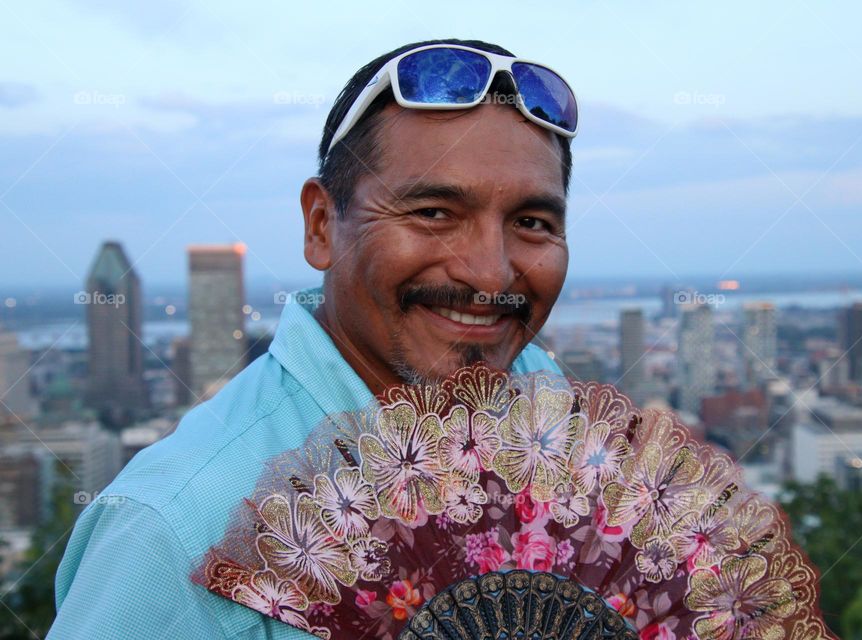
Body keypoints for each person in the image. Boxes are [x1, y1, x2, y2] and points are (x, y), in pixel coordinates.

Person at [48, 37, 578, 638]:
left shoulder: (545, 403)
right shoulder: (176, 533)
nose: (489, 272)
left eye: (532, 223)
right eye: (433, 212)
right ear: (322, 226)